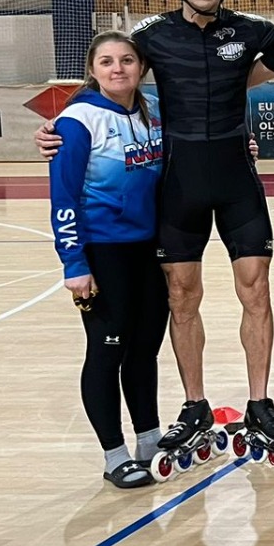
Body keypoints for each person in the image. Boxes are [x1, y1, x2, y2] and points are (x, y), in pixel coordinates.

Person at [36, 0, 274, 459]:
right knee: (182, 296)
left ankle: (260, 402)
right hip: (180, 187)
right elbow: (109, 76)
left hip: (237, 182)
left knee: (256, 291)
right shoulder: (150, 35)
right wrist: (57, 125)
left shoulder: (252, 30)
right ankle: (195, 404)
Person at [49, 31, 167, 488]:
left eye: (127, 60)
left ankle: (149, 440)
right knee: (107, 351)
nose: (118, 69)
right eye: (107, 62)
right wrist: (74, 263)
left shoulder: (153, 111)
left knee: (145, 349)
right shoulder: (78, 121)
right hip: (103, 252)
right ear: (92, 70)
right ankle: (114, 455)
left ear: (141, 67)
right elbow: (63, 196)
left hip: (148, 250)